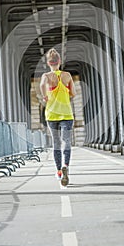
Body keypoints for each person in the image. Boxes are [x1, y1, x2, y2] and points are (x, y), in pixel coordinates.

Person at [40, 48, 76, 186]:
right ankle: (65, 164)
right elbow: (73, 93)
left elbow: (43, 85)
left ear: (49, 62)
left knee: (56, 142)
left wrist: (45, 96)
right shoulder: (67, 75)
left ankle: (59, 172)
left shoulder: (46, 76)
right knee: (66, 141)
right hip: (66, 113)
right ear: (59, 61)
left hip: (52, 114)